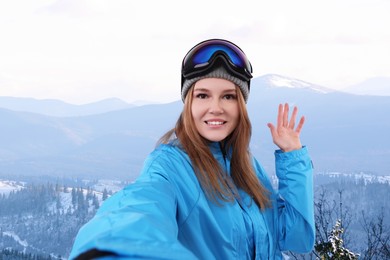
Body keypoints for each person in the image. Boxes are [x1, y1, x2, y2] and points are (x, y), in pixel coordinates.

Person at [69, 38, 315, 259]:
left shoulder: (247, 165)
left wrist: (293, 158)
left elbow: (297, 238)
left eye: (228, 96)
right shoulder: (170, 166)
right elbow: (138, 209)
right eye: (203, 95)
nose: (216, 108)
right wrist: (110, 251)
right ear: (188, 103)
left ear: (241, 105)